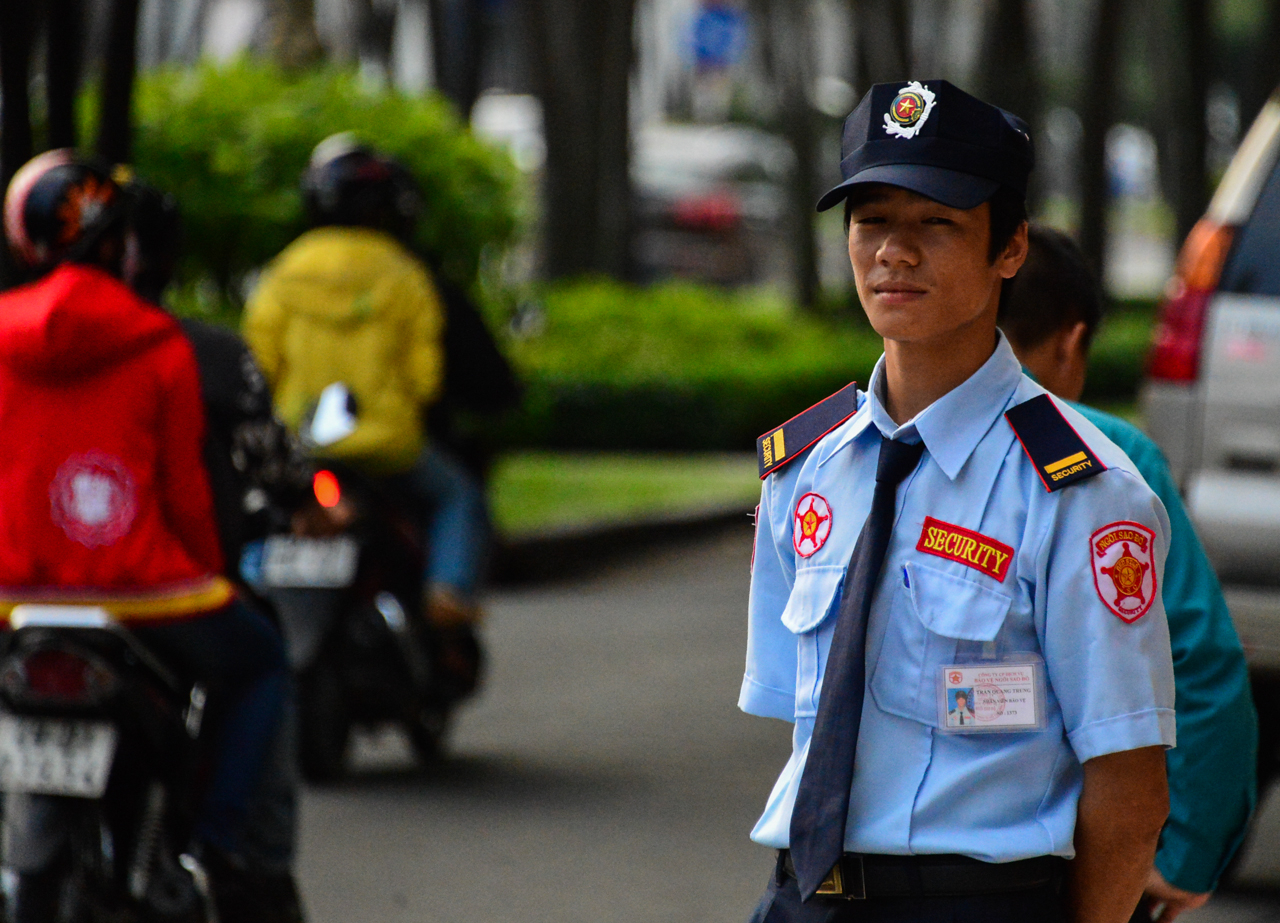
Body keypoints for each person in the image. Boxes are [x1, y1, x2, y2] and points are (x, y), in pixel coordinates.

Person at [742, 81, 1175, 923]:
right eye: (871, 222)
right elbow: (798, 724)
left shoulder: (1081, 493)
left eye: (936, 223)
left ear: (1010, 248)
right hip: (801, 898)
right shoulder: (804, 467)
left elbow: (1130, 783)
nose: (894, 253)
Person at [0, 150, 290, 918]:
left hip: (12, 596)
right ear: (118, 243)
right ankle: (217, 848)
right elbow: (187, 494)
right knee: (261, 661)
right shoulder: (158, 342)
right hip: (143, 590)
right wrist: (209, 573)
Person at [1000, 224, 1257, 923]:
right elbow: (1201, 663)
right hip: (1072, 867)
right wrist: (1182, 853)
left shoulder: (868, 447)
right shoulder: (1113, 455)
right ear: (1072, 340)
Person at [117, 170, 310, 922]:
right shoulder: (192, 354)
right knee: (262, 660)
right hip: (158, 585)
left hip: (26, 587)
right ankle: (235, 852)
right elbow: (249, 478)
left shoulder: (12, 334)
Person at [243, 134, 485, 697]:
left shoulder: (281, 275)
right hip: (388, 448)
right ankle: (447, 591)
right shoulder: (405, 276)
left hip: (300, 450)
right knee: (458, 497)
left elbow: (257, 370)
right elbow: (425, 378)